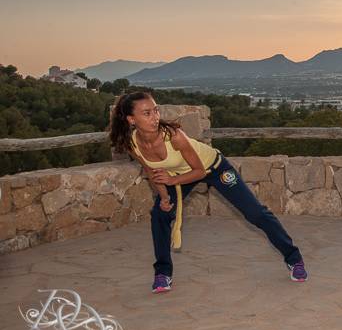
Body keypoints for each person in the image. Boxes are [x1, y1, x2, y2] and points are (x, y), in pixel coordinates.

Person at [108, 91, 307, 292]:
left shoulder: (174, 136)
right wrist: (164, 197)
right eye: (147, 113)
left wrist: (172, 180)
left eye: (156, 111)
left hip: (213, 168)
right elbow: (152, 171)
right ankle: (162, 274)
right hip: (179, 176)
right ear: (131, 119)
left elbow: (199, 171)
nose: (155, 117)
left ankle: (294, 259)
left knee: (255, 212)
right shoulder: (133, 143)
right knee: (160, 215)